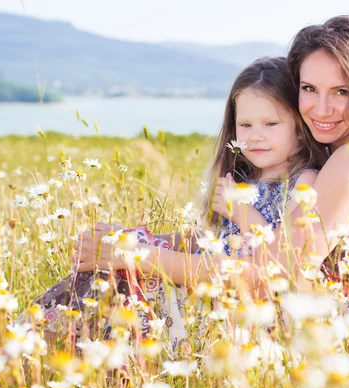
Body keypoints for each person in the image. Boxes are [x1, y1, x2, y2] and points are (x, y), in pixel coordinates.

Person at [73, 15, 349, 304]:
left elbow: (272, 273)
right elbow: (256, 246)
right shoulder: (345, 154)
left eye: (341, 91)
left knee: (119, 282)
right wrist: (141, 239)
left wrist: (136, 256)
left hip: (337, 346)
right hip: (305, 325)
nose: (321, 108)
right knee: (113, 277)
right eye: (309, 89)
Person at [16, 56, 326, 349]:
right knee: (105, 269)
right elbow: (207, 240)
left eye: (270, 125)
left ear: (299, 129)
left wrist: (241, 211)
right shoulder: (240, 180)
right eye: (246, 126)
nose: (255, 136)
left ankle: (34, 351)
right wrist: (136, 239)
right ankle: (36, 346)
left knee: (118, 275)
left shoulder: (305, 181)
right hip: (205, 289)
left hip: (245, 305)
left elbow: (281, 256)